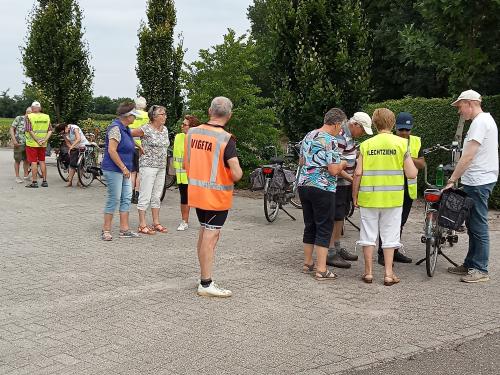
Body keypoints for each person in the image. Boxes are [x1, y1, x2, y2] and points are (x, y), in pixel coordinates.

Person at [184, 97, 243, 297]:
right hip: (216, 197)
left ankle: (204, 277)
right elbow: (236, 173)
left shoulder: (191, 133)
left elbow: (186, 164)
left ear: (210, 110)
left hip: (196, 193)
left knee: (204, 234)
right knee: (210, 237)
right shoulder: (226, 139)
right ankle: (206, 283)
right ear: (229, 115)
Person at [352, 108, 417, 286]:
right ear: (393, 123)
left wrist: (354, 195)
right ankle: (388, 274)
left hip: (369, 197)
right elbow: (411, 173)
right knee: (390, 236)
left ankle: (368, 273)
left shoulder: (366, 145)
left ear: (374, 123)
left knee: (368, 234)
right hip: (393, 199)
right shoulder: (402, 144)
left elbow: (357, 173)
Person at [446, 90, 498, 283]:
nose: (460, 112)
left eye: (460, 107)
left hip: (478, 181)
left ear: (469, 103)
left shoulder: (479, 123)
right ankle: (470, 264)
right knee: (472, 225)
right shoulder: (484, 121)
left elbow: (467, 157)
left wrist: (452, 180)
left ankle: (480, 269)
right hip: (478, 180)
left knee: (478, 225)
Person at [299, 108, 347, 281]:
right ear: (336, 124)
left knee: (310, 224)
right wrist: (342, 163)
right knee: (324, 226)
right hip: (322, 186)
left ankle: (307, 263)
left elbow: (301, 161)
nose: (341, 130)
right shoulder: (331, 140)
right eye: (341, 126)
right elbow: (333, 170)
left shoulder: (308, 136)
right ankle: (321, 269)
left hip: (304, 184)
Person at [377, 112, 425, 265]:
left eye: (407, 130)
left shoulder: (416, 142)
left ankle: (394, 251)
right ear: (395, 127)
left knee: (401, 222)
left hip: (407, 190)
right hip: (390, 187)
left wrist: (406, 156)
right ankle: (382, 254)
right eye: (401, 129)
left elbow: (422, 164)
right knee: (387, 221)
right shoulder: (389, 141)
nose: (404, 133)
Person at [327, 112, 373, 269]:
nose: (362, 135)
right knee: (336, 216)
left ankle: (337, 247)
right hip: (339, 183)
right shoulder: (341, 136)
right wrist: (353, 180)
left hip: (344, 184)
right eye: (362, 130)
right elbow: (335, 164)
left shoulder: (349, 136)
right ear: (356, 125)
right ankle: (331, 251)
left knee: (341, 216)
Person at [100, 102, 141, 241]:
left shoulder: (125, 128)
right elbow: (112, 150)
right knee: (114, 198)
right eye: (134, 116)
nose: (135, 118)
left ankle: (124, 229)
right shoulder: (115, 128)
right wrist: (123, 168)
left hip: (125, 170)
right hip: (114, 169)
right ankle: (106, 230)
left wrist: (138, 146)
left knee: (126, 198)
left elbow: (128, 139)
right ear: (128, 116)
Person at [130, 105, 170, 235]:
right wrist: (138, 146)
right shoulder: (145, 129)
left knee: (157, 195)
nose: (165, 116)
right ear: (153, 116)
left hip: (161, 166)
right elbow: (127, 133)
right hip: (148, 166)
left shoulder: (165, 130)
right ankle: (142, 224)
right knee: (145, 194)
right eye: (162, 114)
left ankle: (156, 222)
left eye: (165, 114)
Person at [173, 114, 200, 231]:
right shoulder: (178, 137)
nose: (182, 126)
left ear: (192, 127)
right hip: (182, 174)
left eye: (184, 124)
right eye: (182, 123)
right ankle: (184, 221)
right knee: (184, 198)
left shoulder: (198, 140)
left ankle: (204, 221)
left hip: (195, 174)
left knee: (199, 199)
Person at [24, 101, 52, 188]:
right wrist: (44, 140)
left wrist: (37, 140)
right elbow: (50, 130)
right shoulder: (46, 117)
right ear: (40, 108)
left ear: (32, 108)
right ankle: (44, 181)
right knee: (42, 161)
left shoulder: (28, 116)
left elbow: (29, 130)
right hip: (43, 144)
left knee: (33, 162)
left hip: (32, 143)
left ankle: (34, 182)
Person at [55, 123, 90, 187]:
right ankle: (70, 182)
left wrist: (72, 146)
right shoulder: (64, 133)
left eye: (63, 131)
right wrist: (71, 147)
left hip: (83, 145)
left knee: (81, 165)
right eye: (61, 132)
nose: (63, 133)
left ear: (66, 127)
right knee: (72, 164)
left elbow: (78, 139)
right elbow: (67, 142)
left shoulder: (74, 128)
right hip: (75, 147)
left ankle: (79, 182)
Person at [129, 96, 149, 204]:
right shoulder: (147, 116)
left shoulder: (132, 115)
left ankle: (131, 194)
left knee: (132, 172)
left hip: (131, 145)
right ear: (145, 105)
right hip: (142, 147)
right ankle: (137, 194)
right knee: (140, 172)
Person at [10, 107, 32, 183]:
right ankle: (17, 176)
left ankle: (26, 175)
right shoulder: (19, 118)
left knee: (26, 160)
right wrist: (14, 140)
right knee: (17, 160)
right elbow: (12, 129)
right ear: (27, 112)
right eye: (30, 113)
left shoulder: (31, 120)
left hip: (29, 143)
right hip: (19, 142)